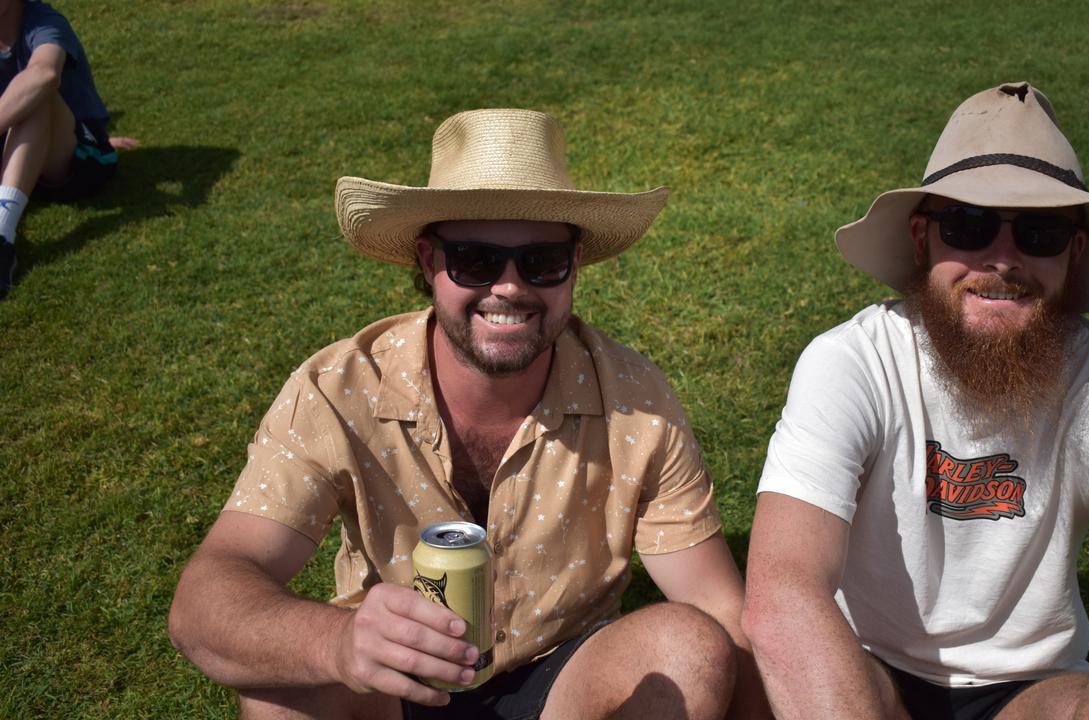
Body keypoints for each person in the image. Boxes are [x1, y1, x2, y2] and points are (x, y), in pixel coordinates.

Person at [169, 108, 766, 720]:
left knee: (688, 647)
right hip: (394, 677)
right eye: (476, 260)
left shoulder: (636, 399)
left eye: (541, 262)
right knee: (279, 694)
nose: (509, 288)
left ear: (574, 265)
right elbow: (208, 595)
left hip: (562, 674)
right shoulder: (339, 389)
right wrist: (340, 643)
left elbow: (717, 608)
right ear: (429, 263)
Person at [742, 82, 1089, 720]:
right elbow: (783, 591)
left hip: (1033, 688)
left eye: (1040, 232)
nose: (1001, 260)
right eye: (969, 225)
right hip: (862, 666)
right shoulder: (853, 361)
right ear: (921, 238)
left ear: (1075, 252)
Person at [0, 0, 137, 300]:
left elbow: (45, 74)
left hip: (79, 158)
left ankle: (2, 239)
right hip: (19, 160)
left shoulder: (44, 22)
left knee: (36, 93)